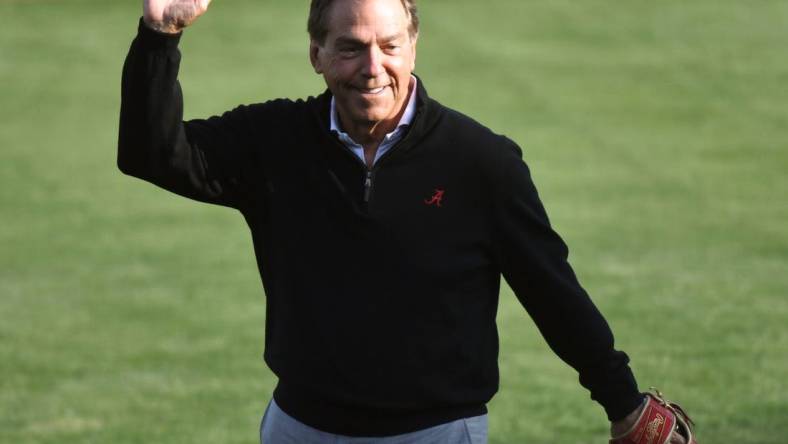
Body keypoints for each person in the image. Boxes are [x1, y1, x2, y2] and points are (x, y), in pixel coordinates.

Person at [118, 0, 688, 442]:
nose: (373, 68)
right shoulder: (273, 142)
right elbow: (150, 153)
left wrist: (623, 401)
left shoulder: (481, 162)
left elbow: (552, 291)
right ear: (315, 54)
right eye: (350, 48)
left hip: (437, 433)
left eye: (389, 46)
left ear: (413, 46)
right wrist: (160, 36)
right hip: (301, 427)